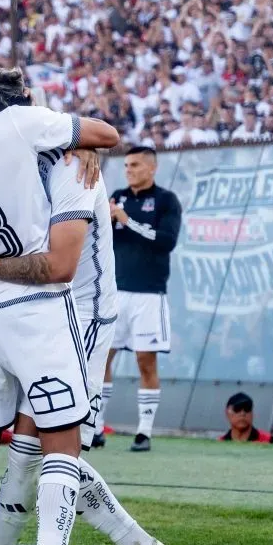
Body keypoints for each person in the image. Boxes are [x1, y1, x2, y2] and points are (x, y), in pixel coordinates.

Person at [0, 68, 171, 545]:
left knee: (33, 446)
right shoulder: (16, 158)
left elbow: (60, 264)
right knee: (33, 447)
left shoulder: (69, 162)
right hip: (40, 310)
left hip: (81, 315)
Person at [103, 146, 183, 452]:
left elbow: (166, 241)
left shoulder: (166, 200)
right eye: (125, 165)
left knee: (144, 360)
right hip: (116, 291)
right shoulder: (118, 197)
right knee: (103, 357)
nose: (129, 170)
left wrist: (126, 221)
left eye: (135, 164)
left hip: (149, 293)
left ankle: (144, 431)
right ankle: (96, 427)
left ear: (152, 168)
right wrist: (109, 221)